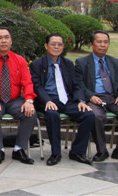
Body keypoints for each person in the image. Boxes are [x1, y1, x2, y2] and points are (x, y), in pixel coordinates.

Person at [74, 31, 118, 163]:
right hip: (95, 98)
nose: (103, 45)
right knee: (95, 116)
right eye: (99, 42)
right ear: (91, 44)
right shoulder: (82, 62)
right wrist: (90, 96)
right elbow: (78, 83)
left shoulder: (114, 62)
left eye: (106, 42)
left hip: (113, 97)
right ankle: (102, 150)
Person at [29, 34, 94, 166]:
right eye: (53, 44)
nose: (56, 47)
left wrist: (81, 100)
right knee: (52, 114)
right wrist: (47, 101)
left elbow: (76, 85)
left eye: (60, 44)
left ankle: (77, 151)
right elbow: (37, 87)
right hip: (47, 100)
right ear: (46, 46)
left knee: (88, 114)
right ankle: (56, 153)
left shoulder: (67, 64)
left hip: (66, 100)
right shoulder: (37, 64)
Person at [0, 27, 36, 165]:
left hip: (14, 100)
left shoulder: (20, 60)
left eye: (6, 37)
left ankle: (19, 149)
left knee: (30, 113)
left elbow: (27, 82)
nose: (3, 41)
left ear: (11, 41)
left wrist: (29, 100)